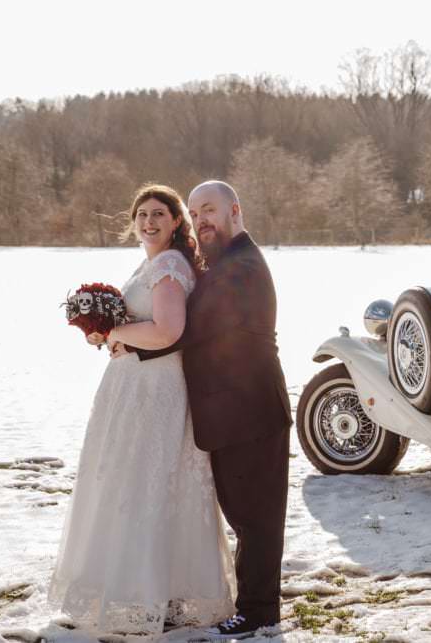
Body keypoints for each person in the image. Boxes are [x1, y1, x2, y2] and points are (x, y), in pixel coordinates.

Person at [49, 185, 234, 636]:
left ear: (176, 222)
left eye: (158, 214)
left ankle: (149, 594)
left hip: (154, 391)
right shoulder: (152, 263)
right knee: (130, 484)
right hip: (133, 387)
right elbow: (140, 327)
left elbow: (169, 331)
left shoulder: (169, 265)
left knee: (145, 485)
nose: (149, 222)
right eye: (141, 214)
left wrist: (116, 329)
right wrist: (105, 333)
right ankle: (142, 588)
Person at [119, 180, 292, 639]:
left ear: (235, 210)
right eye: (195, 215)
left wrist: (128, 339)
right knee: (244, 515)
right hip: (232, 411)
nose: (202, 222)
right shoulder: (223, 261)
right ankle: (254, 606)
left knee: (256, 519)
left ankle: (259, 613)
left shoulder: (243, 265)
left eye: (209, 210)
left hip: (252, 408)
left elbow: (193, 328)